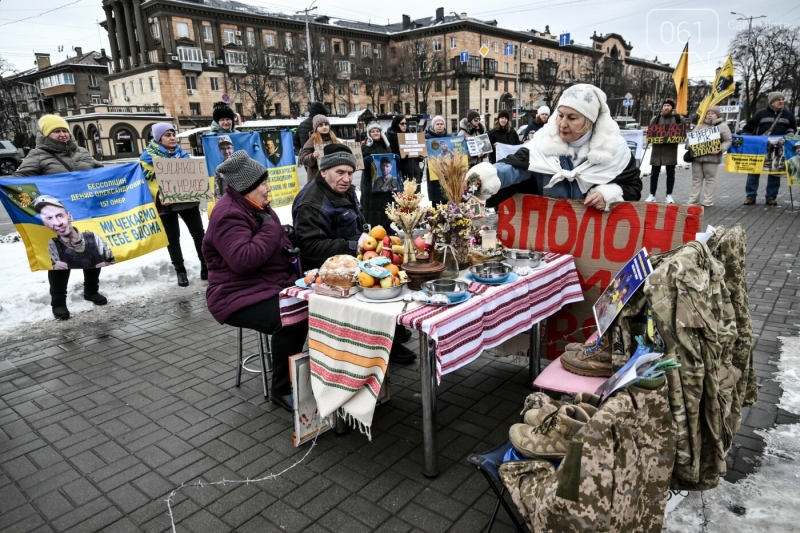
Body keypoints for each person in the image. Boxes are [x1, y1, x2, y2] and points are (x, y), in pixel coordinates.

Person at [292, 144, 417, 364]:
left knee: (394, 275)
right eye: (339, 172)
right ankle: (385, 345)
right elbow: (310, 247)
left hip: (355, 259)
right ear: (323, 171)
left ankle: (389, 338)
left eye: (350, 173)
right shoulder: (312, 202)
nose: (347, 178)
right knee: (378, 286)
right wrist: (353, 245)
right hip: (329, 271)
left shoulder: (343, 189)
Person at [203, 151, 306, 412]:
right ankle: (282, 389)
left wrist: (285, 237)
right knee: (291, 319)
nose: (267, 188)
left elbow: (266, 239)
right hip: (234, 295)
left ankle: (304, 373)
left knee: (312, 303)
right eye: (263, 184)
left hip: (265, 285)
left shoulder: (252, 205)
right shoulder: (228, 214)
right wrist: (273, 229)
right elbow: (244, 259)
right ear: (247, 188)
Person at [475, 83, 643, 211]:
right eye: (560, 115)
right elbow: (514, 168)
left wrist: (607, 195)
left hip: (592, 240)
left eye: (572, 118)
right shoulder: (543, 143)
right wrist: (485, 178)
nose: (562, 124)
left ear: (590, 121)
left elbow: (633, 188)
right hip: (550, 236)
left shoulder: (614, 150)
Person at [14, 114, 106, 320]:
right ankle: (59, 302)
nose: (62, 134)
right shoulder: (37, 155)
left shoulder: (81, 151)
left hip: (86, 211)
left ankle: (91, 291)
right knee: (60, 258)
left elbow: (99, 173)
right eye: (57, 131)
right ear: (46, 134)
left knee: (91, 251)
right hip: (58, 216)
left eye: (65, 130)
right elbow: (19, 180)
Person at [139, 123, 207, 287]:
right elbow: (145, 182)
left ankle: (206, 266)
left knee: (198, 233)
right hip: (165, 204)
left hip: (187, 201)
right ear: (158, 138)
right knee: (172, 238)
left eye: (173, 134)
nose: (172, 138)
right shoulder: (147, 158)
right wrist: (160, 193)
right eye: (167, 135)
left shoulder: (182, 155)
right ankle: (180, 271)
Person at [741, 91, 797, 206]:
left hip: (778, 148)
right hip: (760, 147)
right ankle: (750, 196)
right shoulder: (760, 113)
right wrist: (747, 136)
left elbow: (792, 127)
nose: (781, 101)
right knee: (754, 172)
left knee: (774, 173)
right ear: (771, 102)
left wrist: (790, 132)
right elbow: (748, 127)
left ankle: (771, 197)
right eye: (778, 99)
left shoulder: (788, 114)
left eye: (782, 99)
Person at [34, 195, 116, 270]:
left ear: (70, 217)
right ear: (45, 224)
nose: (58, 223)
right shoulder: (53, 245)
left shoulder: (93, 238)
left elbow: (114, 262)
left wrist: (107, 265)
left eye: (60, 216)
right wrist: (56, 270)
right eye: (49, 219)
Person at [687, 106, 732, 207]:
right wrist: (688, 144)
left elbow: (728, 141)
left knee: (710, 179)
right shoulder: (699, 125)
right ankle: (693, 200)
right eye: (708, 113)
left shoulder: (723, 126)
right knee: (696, 178)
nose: (710, 115)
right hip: (697, 157)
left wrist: (720, 149)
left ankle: (708, 200)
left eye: (712, 113)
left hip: (712, 157)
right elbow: (690, 137)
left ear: (717, 115)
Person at [645, 99, 683, 203]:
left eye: (668, 106)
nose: (666, 107)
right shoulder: (656, 118)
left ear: (672, 108)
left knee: (670, 174)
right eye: (664, 105)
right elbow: (650, 132)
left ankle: (669, 195)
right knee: (654, 174)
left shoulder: (678, 118)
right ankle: (652, 194)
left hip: (671, 150)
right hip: (657, 150)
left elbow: (682, 134)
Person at [360, 122, 396, 231]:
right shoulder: (365, 146)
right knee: (373, 205)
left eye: (377, 131)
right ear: (369, 133)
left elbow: (391, 159)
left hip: (385, 180)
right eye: (373, 131)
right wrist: (366, 161)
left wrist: (395, 158)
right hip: (370, 180)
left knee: (385, 203)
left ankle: (387, 225)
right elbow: (359, 164)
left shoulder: (386, 145)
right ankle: (375, 228)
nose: (375, 133)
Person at [300, 114, 340, 179]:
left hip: (333, 176)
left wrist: (344, 148)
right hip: (317, 177)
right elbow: (304, 160)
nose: (324, 127)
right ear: (316, 128)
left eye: (326, 124)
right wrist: (313, 156)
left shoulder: (335, 140)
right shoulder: (312, 141)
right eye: (321, 125)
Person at [386, 115, 422, 184]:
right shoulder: (390, 138)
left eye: (406, 123)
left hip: (415, 173)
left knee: (416, 194)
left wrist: (420, 154)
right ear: (396, 124)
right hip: (401, 174)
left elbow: (418, 156)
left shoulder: (411, 135)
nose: (405, 125)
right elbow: (391, 156)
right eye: (402, 124)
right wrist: (403, 155)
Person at [424, 115, 449, 206]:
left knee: (446, 195)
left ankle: (447, 216)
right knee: (436, 196)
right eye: (437, 124)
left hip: (447, 171)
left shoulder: (449, 137)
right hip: (433, 170)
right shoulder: (427, 137)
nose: (439, 126)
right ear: (433, 126)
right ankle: (436, 217)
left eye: (441, 124)